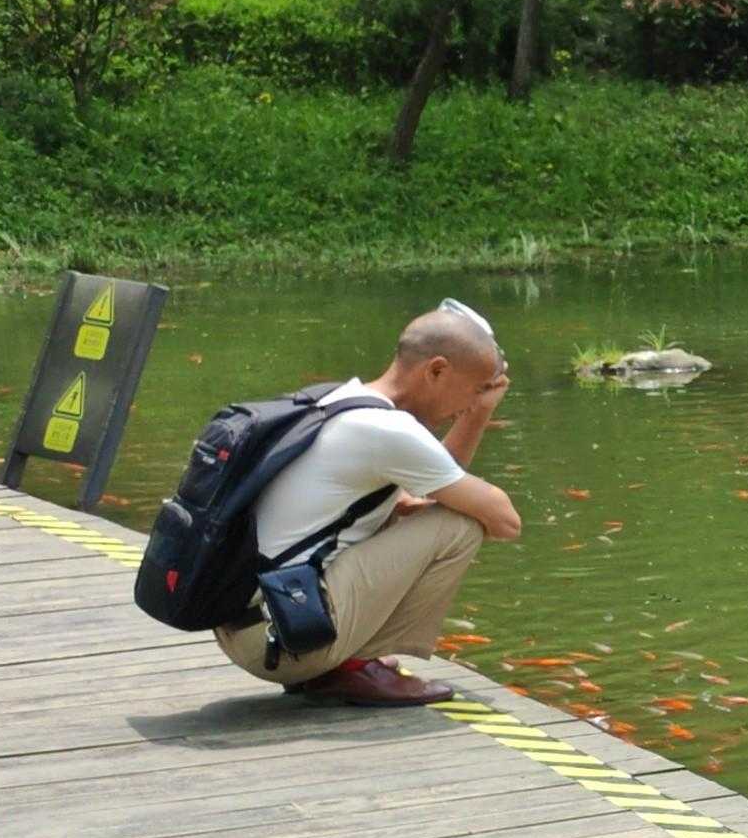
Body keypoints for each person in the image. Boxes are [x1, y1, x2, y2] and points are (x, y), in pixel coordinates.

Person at [215, 302, 523, 707]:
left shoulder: (344, 399)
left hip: (254, 628)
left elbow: (429, 491)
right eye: (473, 390)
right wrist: (481, 414)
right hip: (286, 643)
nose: (469, 403)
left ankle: (340, 665)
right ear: (436, 370)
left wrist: (477, 411)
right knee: (458, 526)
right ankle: (356, 665)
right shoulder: (388, 430)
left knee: (415, 511)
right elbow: (505, 521)